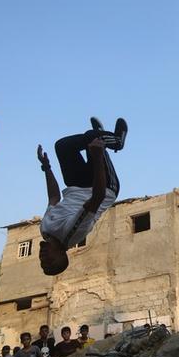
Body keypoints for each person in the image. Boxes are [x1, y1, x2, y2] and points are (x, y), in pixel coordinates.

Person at [37, 117, 127, 276]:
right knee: (94, 139)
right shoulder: (71, 233)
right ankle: (117, 141)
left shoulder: (45, 229)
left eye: (42, 262)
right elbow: (97, 198)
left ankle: (100, 135)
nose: (43, 257)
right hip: (103, 186)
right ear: (61, 254)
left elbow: (54, 197)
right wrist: (97, 157)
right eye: (50, 260)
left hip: (76, 184)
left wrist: (46, 167)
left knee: (63, 146)